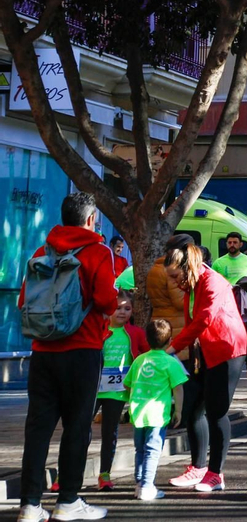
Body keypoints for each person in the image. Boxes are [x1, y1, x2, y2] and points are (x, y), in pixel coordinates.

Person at [17, 191, 119, 522]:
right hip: (83, 350)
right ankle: (68, 501)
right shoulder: (99, 251)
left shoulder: (41, 250)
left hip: (42, 352)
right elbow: (105, 302)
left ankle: (30, 505)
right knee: (77, 427)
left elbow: (24, 301)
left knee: (38, 428)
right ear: (91, 220)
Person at [163, 239, 247, 494]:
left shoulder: (213, 282)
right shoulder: (191, 284)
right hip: (204, 349)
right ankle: (198, 467)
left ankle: (215, 474)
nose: (174, 282)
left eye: (175, 275)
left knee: (216, 411)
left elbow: (204, 319)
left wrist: (173, 347)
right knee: (193, 407)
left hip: (227, 349)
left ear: (187, 267)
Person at [125, 318, 186, 502]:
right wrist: (179, 411)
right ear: (170, 341)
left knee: (140, 450)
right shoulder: (170, 362)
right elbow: (178, 388)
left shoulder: (139, 360)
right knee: (152, 450)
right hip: (157, 415)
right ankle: (147, 486)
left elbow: (128, 384)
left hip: (138, 412)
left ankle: (139, 483)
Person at [94, 293, 146, 492]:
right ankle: (67, 474)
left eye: (127, 308)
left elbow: (147, 354)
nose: (122, 312)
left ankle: (104, 474)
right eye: (118, 308)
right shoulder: (99, 330)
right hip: (93, 390)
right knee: (80, 431)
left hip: (117, 391)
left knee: (110, 433)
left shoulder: (135, 333)